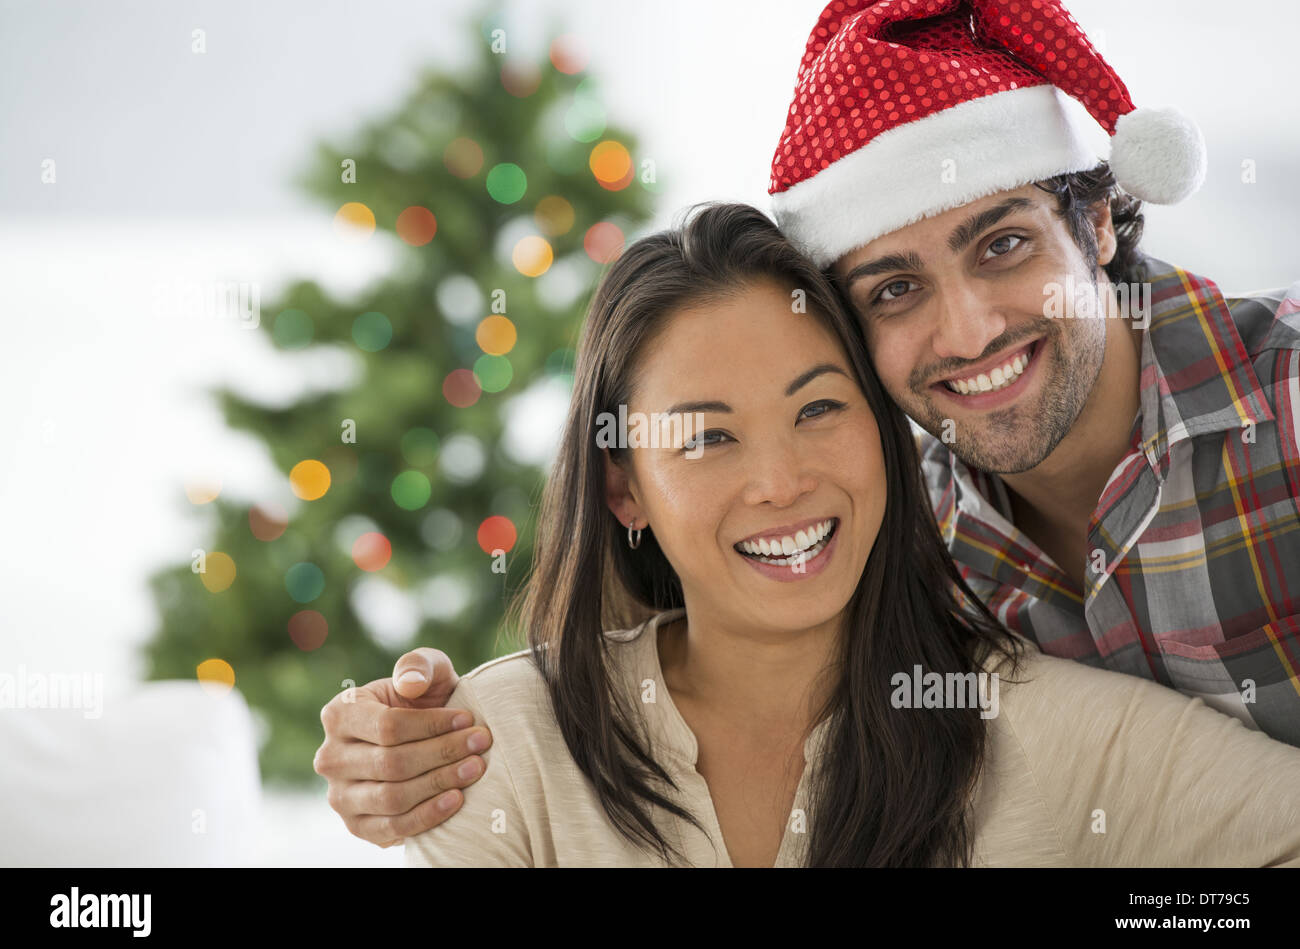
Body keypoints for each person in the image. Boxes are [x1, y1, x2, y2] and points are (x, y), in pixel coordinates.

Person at [314, 0, 1300, 846]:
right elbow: (692, 629)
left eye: (1002, 243)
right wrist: (415, 739)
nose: (966, 329)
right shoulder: (893, 519)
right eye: (894, 286)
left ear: (1094, 221)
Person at [398, 201, 1300, 866]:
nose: (782, 483)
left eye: (819, 408)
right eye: (708, 437)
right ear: (623, 489)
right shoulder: (496, 749)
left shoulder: (1044, 726)